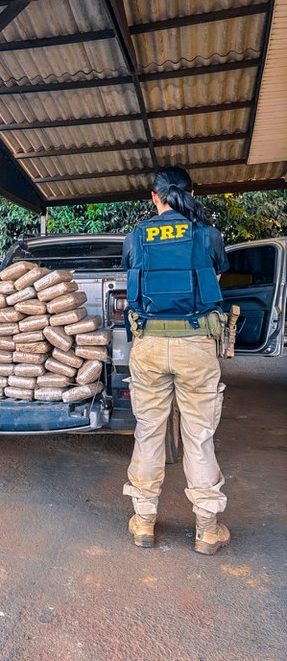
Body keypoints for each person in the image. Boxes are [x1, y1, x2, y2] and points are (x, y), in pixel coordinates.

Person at [122, 165, 231, 555]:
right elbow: (214, 279)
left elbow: (134, 279)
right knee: (199, 437)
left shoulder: (137, 236)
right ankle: (206, 528)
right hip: (196, 345)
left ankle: (144, 523)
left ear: (154, 197)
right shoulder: (207, 234)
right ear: (191, 193)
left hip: (148, 345)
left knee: (149, 431)